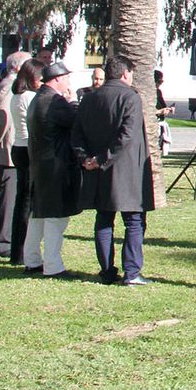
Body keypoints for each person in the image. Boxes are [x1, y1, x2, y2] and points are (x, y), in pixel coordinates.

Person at [73, 55, 155, 286]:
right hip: (125, 169)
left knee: (104, 218)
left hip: (98, 168)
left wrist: (87, 158)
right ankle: (131, 272)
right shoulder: (130, 97)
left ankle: (107, 271)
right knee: (134, 221)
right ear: (125, 74)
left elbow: (77, 134)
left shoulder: (89, 98)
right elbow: (126, 136)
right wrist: (100, 159)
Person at [25, 61, 82, 277]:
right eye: (66, 78)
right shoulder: (55, 101)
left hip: (41, 165)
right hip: (56, 165)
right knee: (55, 217)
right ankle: (52, 265)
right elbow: (76, 120)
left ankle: (31, 259)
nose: (69, 82)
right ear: (57, 79)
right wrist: (74, 101)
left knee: (38, 215)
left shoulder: (38, 99)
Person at [0, 51, 30, 257]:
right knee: (9, 200)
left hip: (12, 151)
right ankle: (2, 242)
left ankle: (9, 240)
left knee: (14, 198)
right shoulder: (8, 86)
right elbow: (2, 119)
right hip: (7, 152)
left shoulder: (13, 85)